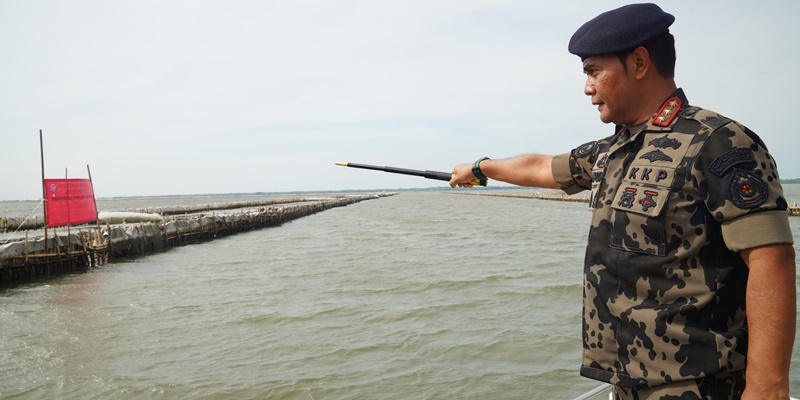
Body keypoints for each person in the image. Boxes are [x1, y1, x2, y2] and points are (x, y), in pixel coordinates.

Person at [449, 3, 796, 399]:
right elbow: (542, 167)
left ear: (639, 61)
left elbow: (771, 258)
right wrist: (480, 168)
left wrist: (768, 386)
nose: (587, 87)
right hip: (628, 381)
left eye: (593, 71)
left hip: (700, 385)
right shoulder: (613, 150)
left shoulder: (718, 141)